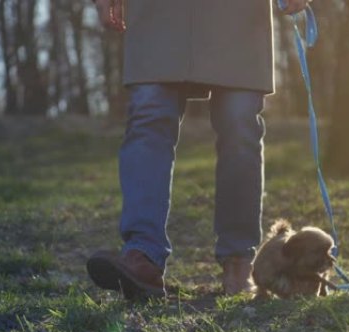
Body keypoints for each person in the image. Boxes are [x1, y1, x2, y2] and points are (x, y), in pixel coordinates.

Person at [86, 0, 311, 299]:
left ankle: (239, 262)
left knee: (239, 124)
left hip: (238, 13)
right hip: (158, 13)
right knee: (148, 117)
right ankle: (143, 255)